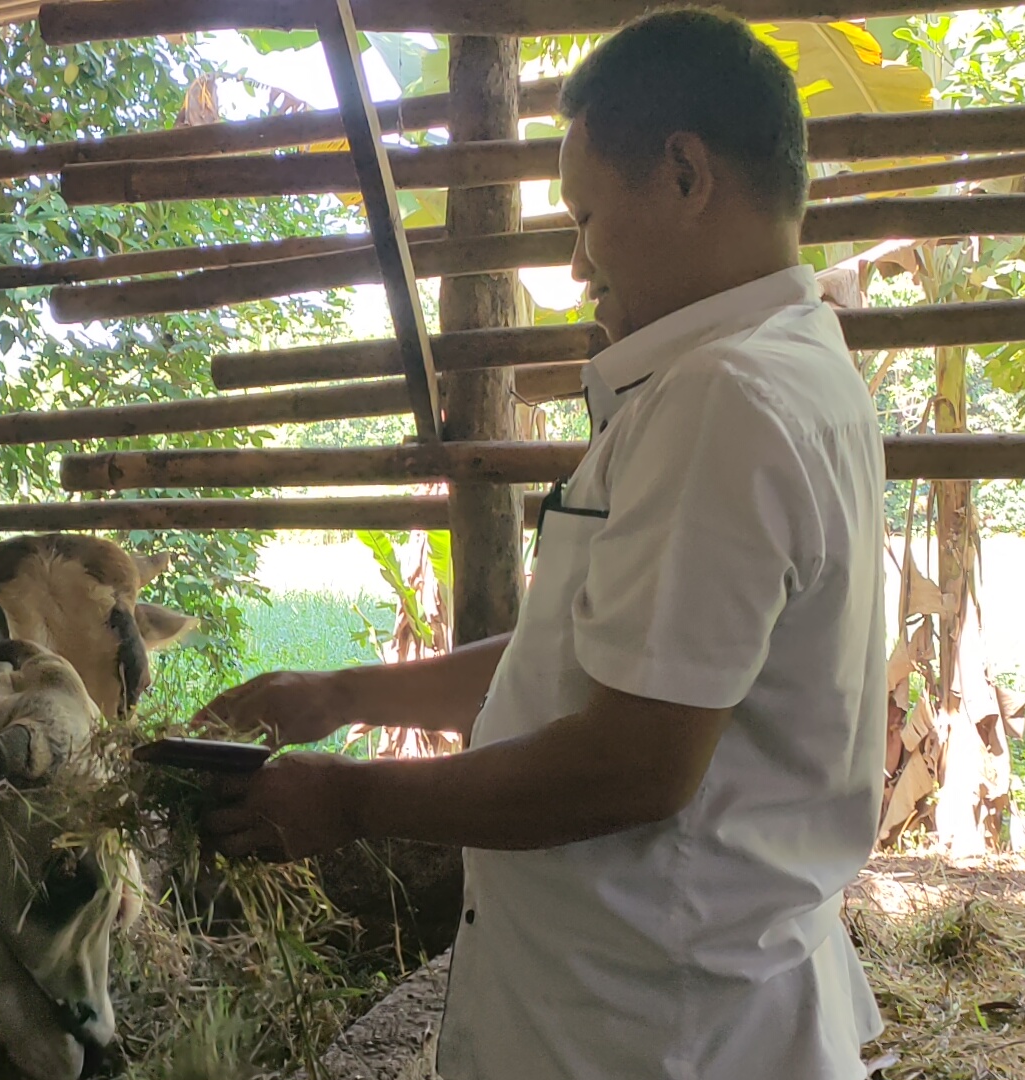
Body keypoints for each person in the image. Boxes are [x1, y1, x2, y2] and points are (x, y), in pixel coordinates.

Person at [195, 9, 889, 1078]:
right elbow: (579, 666)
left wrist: (350, 798)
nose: (578, 262)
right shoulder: (788, 368)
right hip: (661, 1003)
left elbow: (630, 764)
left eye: (586, 216)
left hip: (651, 1031)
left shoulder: (726, 399)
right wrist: (343, 692)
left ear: (685, 173)